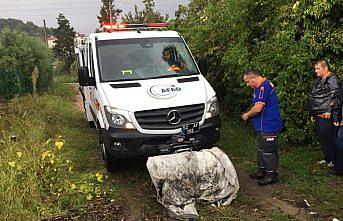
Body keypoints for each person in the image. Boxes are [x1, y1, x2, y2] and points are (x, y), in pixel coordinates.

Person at [242, 69, 283, 186]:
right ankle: (262, 170)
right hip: (261, 125)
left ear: (254, 78)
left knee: (269, 151)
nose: (247, 85)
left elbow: (258, 107)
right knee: (261, 149)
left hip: (269, 124)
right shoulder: (257, 88)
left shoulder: (263, 87)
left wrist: (247, 114)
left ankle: (272, 175)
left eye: (248, 82)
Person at [308, 59, 342, 172]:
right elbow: (316, 95)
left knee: (330, 137)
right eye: (315, 68)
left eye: (318, 68)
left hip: (326, 114)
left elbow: (334, 96)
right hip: (318, 112)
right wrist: (313, 112)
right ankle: (327, 158)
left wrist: (330, 111)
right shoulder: (320, 79)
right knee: (322, 137)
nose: (315, 71)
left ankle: (333, 160)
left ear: (325, 68)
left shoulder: (332, 79)